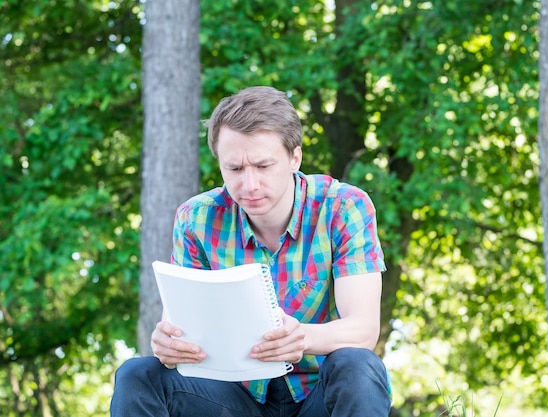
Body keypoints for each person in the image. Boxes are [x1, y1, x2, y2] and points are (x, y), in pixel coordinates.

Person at [110, 86, 391, 417]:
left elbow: (363, 329)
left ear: (294, 157)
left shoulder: (343, 207)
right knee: (137, 374)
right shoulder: (196, 218)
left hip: (318, 394)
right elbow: (179, 326)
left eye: (262, 166)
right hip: (233, 398)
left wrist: (301, 338)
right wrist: (169, 343)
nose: (249, 185)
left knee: (357, 365)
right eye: (235, 169)